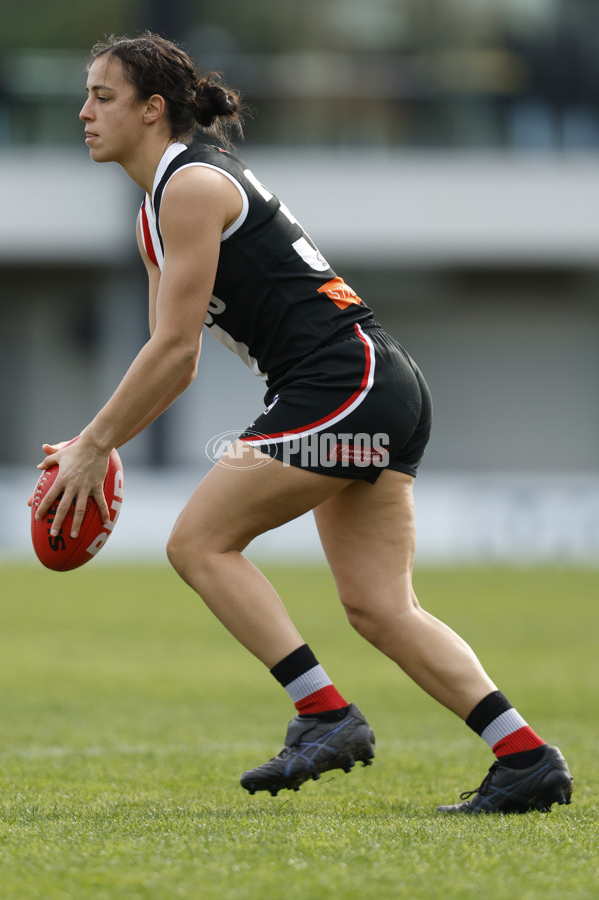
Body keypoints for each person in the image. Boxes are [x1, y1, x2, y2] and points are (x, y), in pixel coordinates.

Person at [33, 32, 572, 814]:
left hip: (343, 386)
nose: (83, 113)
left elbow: (177, 349)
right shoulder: (159, 208)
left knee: (198, 543)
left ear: (154, 110)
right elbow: (170, 360)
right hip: (371, 385)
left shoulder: (187, 187)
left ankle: (325, 715)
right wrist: (96, 444)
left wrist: (94, 443)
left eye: (103, 97)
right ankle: (524, 758)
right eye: (85, 96)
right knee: (381, 607)